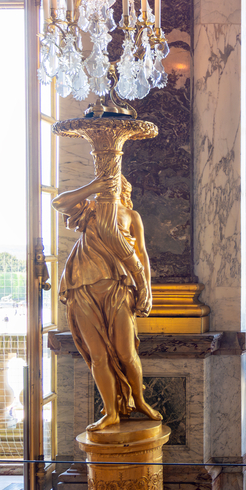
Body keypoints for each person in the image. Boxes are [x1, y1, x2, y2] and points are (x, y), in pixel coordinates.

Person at [54, 173, 161, 430]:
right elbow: (59, 203)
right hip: (82, 288)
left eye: (115, 184)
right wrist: (92, 187)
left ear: (124, 189)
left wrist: (147, 290)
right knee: (98, 355)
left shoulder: (131, 216)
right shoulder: (89, 209)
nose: (112, 187)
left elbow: (141, 254)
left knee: (126, 352)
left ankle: (139, 400)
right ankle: (111, 412)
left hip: (118, 288)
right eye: (107, 183)